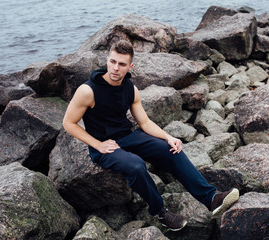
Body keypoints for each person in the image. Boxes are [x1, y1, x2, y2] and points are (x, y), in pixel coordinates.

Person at [62, 40, 239, 231]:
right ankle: (161, 212)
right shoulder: (88, 91)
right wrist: (97, 145)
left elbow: (144, 123)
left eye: (122, 64)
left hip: (127, 136)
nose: (115, 68)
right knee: (136, 166)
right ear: (107, 60)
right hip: (104, 146)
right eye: (112, 62)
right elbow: (68, 123)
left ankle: (211, 198)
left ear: (130, 66)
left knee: (170, 149)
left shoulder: (131, 89)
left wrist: (168, 137)